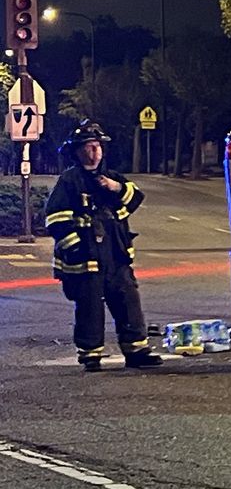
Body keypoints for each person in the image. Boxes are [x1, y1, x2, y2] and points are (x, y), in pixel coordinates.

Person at [44, 120, 163, 372]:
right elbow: (55, 219)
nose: (94, 152)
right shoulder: (70, 181)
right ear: (77, 152)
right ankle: (90, 354)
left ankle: (136, 350)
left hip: (116, 254)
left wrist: (116, 187)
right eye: (88, 147)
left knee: (127, 299)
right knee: (90, 306)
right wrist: (76, 248)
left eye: (97, 146)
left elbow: (135, 198)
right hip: (85, 256)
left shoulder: (111, 178)